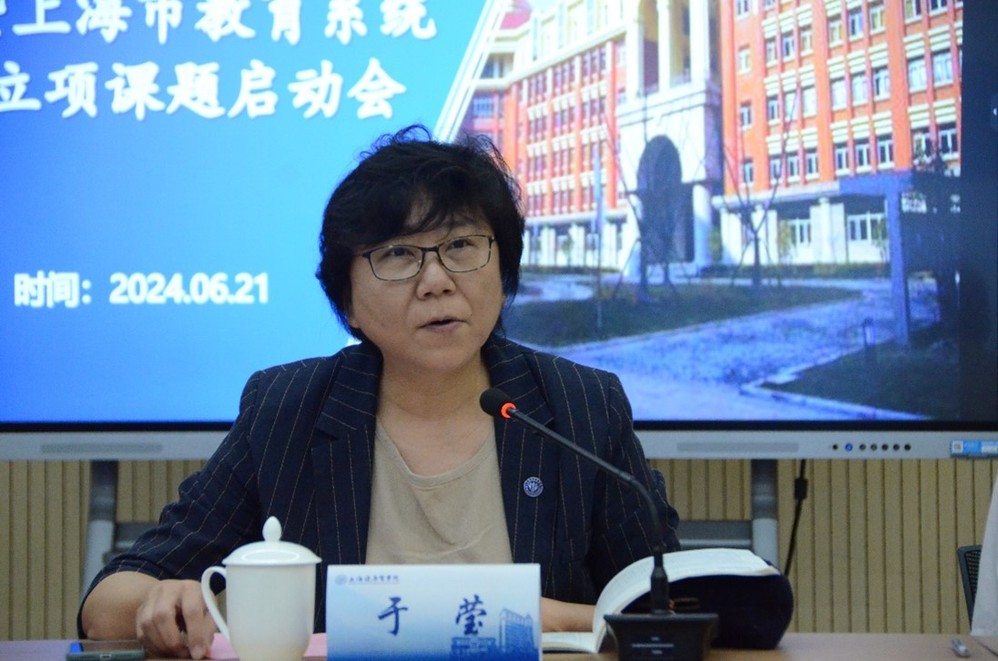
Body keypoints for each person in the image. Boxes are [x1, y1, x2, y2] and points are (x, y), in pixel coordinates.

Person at [78, 125, 682, 658]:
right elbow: (108, 604)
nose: (436, 281)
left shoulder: (579, 407)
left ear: (503, 273)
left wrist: (545, 621)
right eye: (397, 255)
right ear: (348, 302)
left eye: (461, 246)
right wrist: (161, 603)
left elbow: (671, 608)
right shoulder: (288, 410)